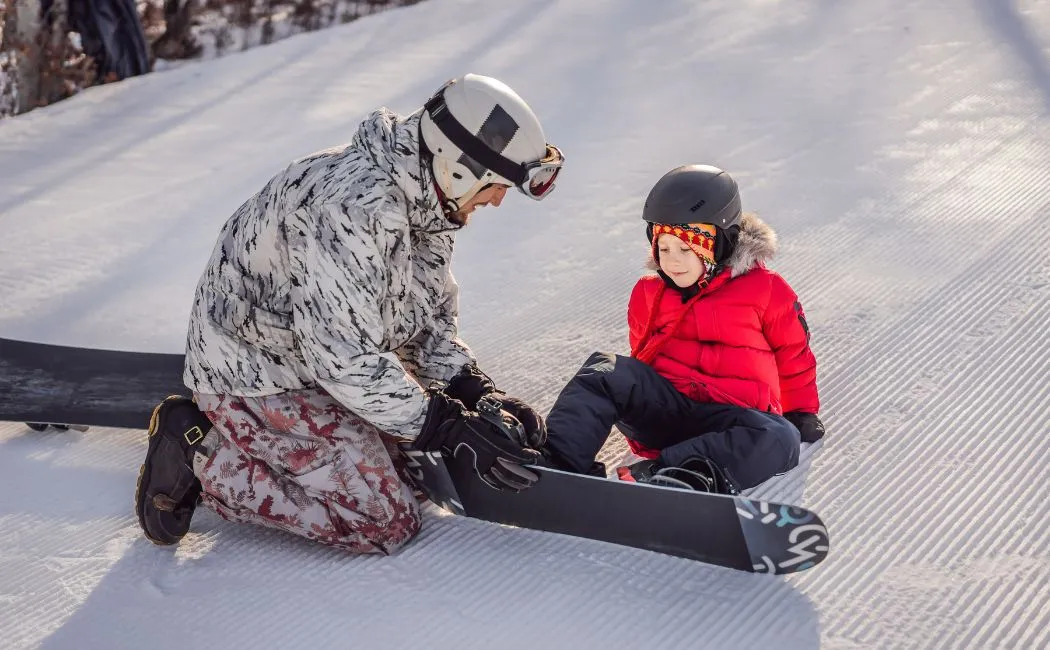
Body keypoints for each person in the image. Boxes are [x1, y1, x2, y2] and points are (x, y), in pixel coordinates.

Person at [134, 74, 564, 554]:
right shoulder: (352, 208)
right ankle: (202, 453)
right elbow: (344, 358)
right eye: (497, 185)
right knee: (383, 518)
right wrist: (443, 422)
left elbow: (426, 321)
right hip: (258, 370)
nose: (499, 199)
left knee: (422, 474)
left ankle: (276, 446)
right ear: (456, 168)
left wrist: (473, 389)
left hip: (319, 356)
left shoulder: (429, 202)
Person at [538, 164, 824, 494]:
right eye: (664, 249)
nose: (672, 262)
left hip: (729, 424)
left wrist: (801, 410)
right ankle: (558, 465)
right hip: (668, 413)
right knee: (604, 370)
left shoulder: (766, 290)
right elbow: (641, 355)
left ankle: (672, 474)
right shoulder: (649, 292)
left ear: (718, 244)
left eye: (686, 249)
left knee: (780, 438)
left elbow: (793, 352)